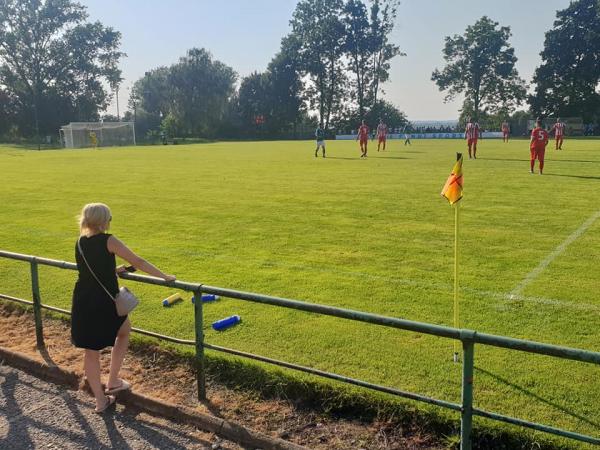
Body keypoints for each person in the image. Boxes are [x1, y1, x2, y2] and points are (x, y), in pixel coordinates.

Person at [71, 203, 176, 413]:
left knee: (90, 351)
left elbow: (92, 268)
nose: (110, 221)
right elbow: (138, 260)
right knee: (124, 331)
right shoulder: (108, 239)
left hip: (83, 301)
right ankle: (113, 381)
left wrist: (113, 269)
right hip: (105, 302)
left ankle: (101, 401)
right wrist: (165, 276)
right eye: (110, 217)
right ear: (103, 220)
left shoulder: (80, 242)